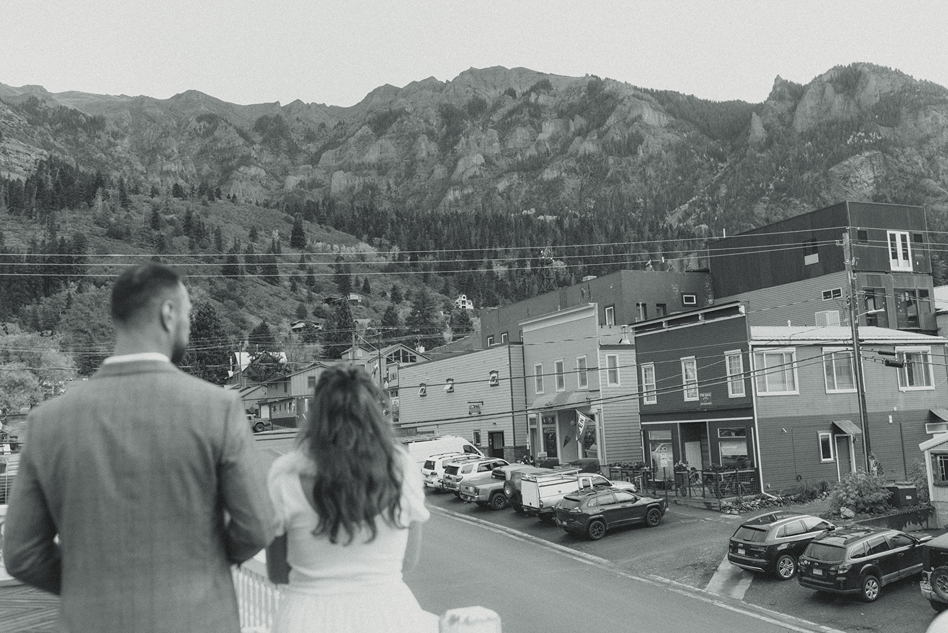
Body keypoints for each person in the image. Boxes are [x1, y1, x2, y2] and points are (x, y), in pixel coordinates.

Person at [3, 262, 275, 633]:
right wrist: (201, 567)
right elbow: (257, 527)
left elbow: (22, 554)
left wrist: (89, 583)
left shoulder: (47, 421)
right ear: (168, 313)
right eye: (188, 315)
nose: (189, 326)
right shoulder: (217, 407)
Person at [266, 366, 438, 633]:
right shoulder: (401, 468)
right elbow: (408, 561)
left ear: (317, 416)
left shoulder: (286, 475)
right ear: (373, 414)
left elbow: (277, 572)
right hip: (389, 617)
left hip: (307, 620)